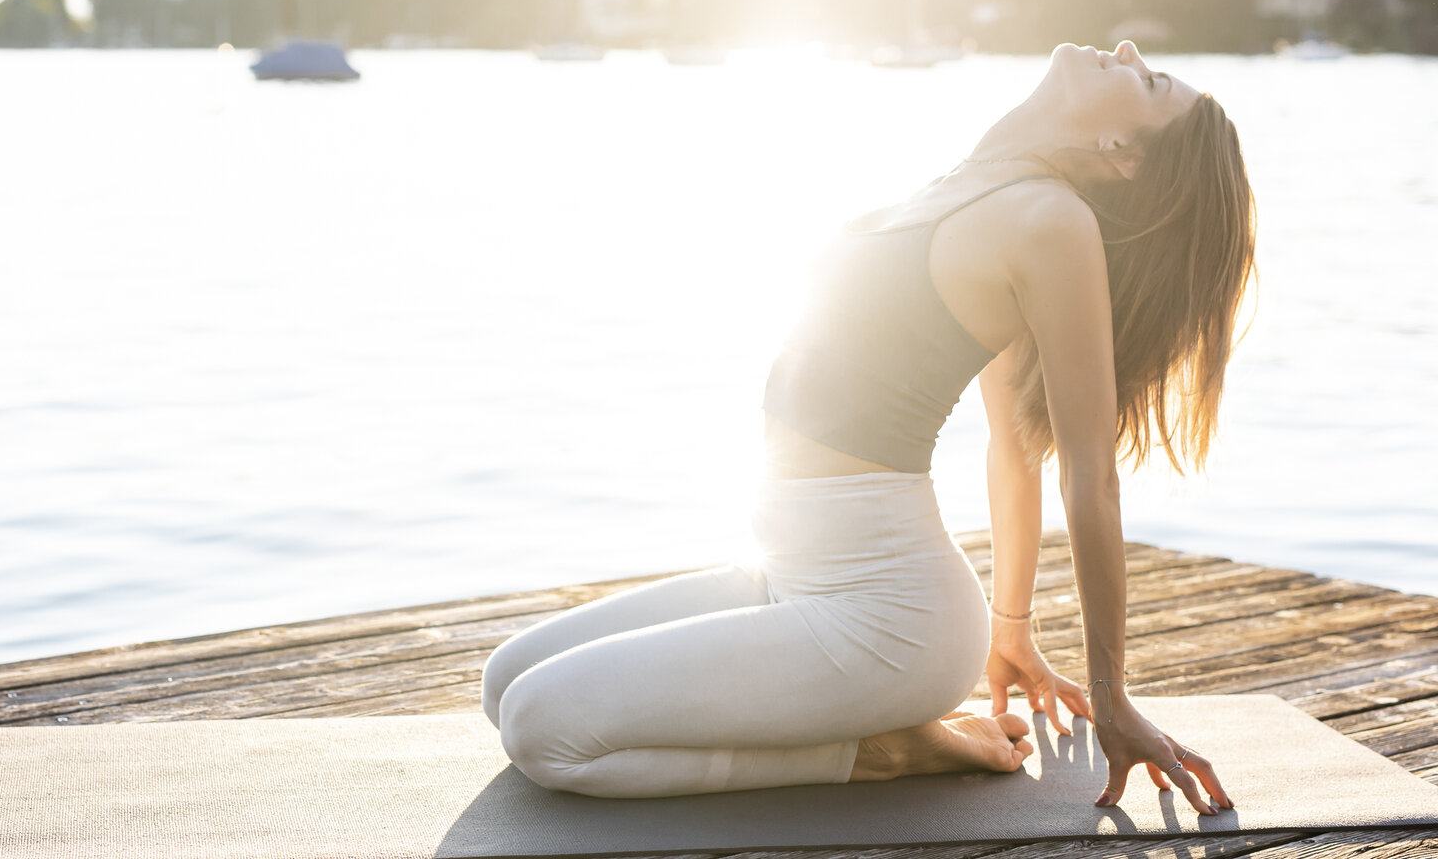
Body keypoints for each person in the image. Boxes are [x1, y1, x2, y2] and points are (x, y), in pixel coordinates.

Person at [481, 41, 1251, 815]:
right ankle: (881, 722)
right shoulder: (973, 187)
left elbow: (1090, 474)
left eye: (1148, 82)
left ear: (1121, 150)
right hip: (790, 575)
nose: (1123, 52)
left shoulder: (1050, 221)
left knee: (543, 730)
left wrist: (1113, 699)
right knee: (503, 684)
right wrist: (1009, 632)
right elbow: (1011, 439)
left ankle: (877, 754)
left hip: (888, 616)